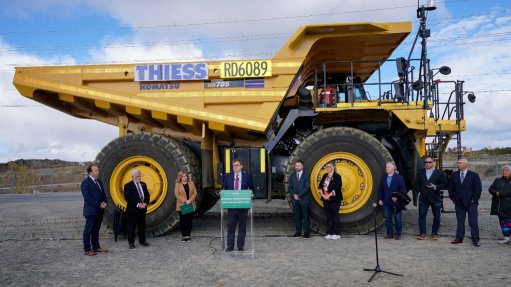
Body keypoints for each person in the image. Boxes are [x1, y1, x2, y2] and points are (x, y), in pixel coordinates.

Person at [448, 158, 482, 246]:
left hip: (471, 203)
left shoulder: (474, 175)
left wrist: (474, 200)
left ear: (466, 165)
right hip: (459, 203)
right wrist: (453, 199)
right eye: (458, 163)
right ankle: (459, 238)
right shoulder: (454, 175)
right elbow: (450, 188)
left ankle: (475, 239)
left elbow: (478, 189)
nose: (458, 164)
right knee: (460, 221)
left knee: (473, 222)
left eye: (460, 163)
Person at [222, 159, 254, 251]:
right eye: (233, 166)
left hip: (243, 206)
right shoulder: (228, 176)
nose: (235, 167)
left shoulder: (247, 176)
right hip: (232, 206)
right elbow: (225, 188)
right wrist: (223, 193)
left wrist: (251, 193)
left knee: (242, 228)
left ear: (241, 166)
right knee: (231, 227)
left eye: (237, 165)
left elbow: (252, 188)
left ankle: (240, 247)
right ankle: (230, 247)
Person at [416, 157, 448, 240]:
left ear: (433, 163)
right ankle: (422, 233)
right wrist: (419, 192)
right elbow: (417, 183)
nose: (427, 163)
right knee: (422, 216)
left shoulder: (440, 173)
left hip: (435, 198)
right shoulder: (420, 172)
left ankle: (434, 233)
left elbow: (444, 183)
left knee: (437, 216)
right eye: (426, 162)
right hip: (423, 198)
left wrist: (435, 187)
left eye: (429, 162)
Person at [81, 163, 108, 256]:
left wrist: (104, 202)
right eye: (96, 170)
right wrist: (99, 205)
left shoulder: (99, 182)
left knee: (96, 230)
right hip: (91, 211)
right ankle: (87, 249)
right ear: (90, 172)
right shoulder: (85, 183)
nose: (98, 172)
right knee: (88, 230)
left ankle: (96, 247)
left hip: (99, 211)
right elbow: (87, 198)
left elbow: (103, 194)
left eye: (98, 170)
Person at [378, 162, 407, 240]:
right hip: (386, 202)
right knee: (388, 218)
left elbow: (403, 190)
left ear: (393, 168)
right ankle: (390, 233)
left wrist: (397, 197)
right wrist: (380, 199)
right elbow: (380, 190)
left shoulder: (399, 178)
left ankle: (398, 234)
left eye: (388, 167)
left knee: (397, 219)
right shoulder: (383, 178)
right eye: (386, 167)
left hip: (396, 203)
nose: (386, 168)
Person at [124, 169, 150, 249]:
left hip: (143, 209)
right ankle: (131, 243)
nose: (139, 178)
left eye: (140, 176)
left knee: (142, 226)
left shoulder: (143, 184)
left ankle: (142, 241)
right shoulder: (127, 185)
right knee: (131, 226)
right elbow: (127, 198)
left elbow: (147, 195)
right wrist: (138, 204)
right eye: (137, 176)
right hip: (133, 210)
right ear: (132, 177)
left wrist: (146, 203)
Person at [318, 162, 342, 240]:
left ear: (333, 167)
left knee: (334, 215)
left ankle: (336, 233)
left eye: (330, 166)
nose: (328, 168)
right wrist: (323, 195)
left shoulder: (337, 176)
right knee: (328, 216)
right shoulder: (325, 176)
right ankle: (330, 232)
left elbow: (337, 188)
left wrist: (328, 195)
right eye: (327, 166)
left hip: (334, 199)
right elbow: (320, 186)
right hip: (325, 199)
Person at [488, 165, 511, 244]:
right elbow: (490, 189)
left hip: (509, 206)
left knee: (509, 222)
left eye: (507, 170)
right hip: (499, 206)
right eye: (504, 170)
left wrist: (500, 193)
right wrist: (495, 193)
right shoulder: (497, 180)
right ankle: (506, 238)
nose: (505, 171)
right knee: (503, 222)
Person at [288, 160, 311, 239]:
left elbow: (307, 187)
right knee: (297, 217)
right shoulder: (292, 176)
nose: (296, 167)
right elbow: (290, 188)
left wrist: (299, 195)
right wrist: (294, 195)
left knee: (305, 217)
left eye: (298, 165)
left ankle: (306, 233)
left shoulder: (306, 176)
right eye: (296, 165)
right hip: (295, 200)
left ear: (302, 167)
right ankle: (298, 232)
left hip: (304, 200)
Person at [174, 171, 198, 242]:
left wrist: (190, 200)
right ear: (180, 177)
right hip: (182, 205)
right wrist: (185, 201)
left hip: (190, 204)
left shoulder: (191, 183)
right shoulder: (177, 185)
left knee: (189, 221)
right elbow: (177, 195)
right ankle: (184, 236)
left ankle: (188, 236)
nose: (185, 177)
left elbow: (195, 193)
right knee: (183, 221)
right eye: (183, 176)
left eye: (186, 176)